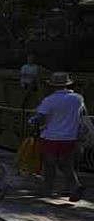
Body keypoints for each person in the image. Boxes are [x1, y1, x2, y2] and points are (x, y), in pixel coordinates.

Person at [29, 72, 86, 202]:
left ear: (52, 86)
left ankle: (47, 189)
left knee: (49, 164)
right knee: (66, 164)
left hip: (51, 137)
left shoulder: (49, 100)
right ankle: (73, 187)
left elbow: (40, 116)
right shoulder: (78, 98)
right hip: (71, 137)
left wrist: (32, 121)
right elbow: (82, 115)